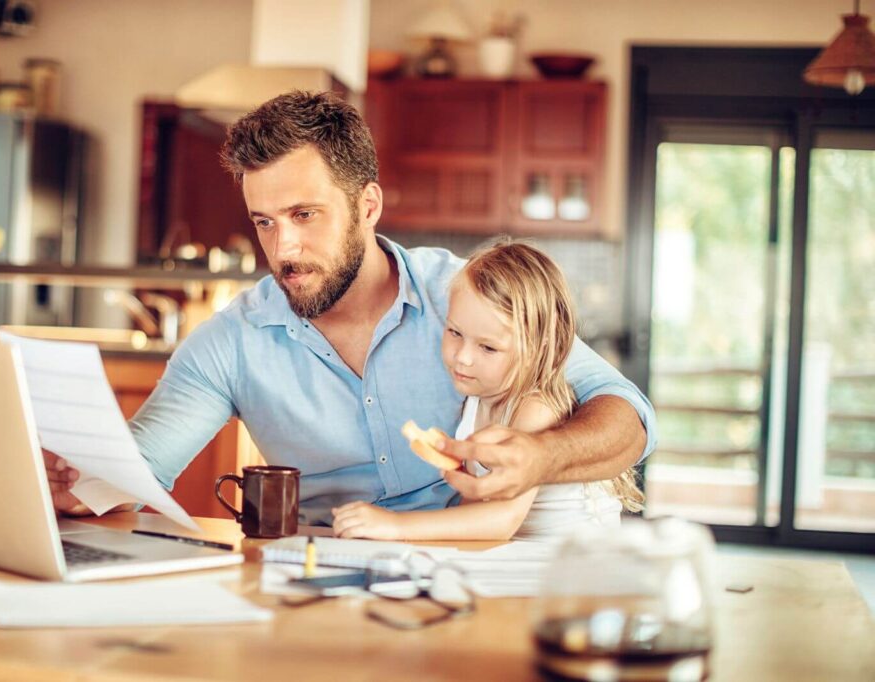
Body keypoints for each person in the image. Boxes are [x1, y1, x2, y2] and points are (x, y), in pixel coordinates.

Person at [43, 90, 656, 525]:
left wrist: (541, 457)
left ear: (367, 206)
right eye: (265, 222)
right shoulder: (230, 342)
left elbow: (630, 418)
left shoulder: (466, 294)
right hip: (318, 577)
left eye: (305, 216)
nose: (283, 248)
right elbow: (137, 469)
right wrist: (80, 483)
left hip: (472, 571)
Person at [331, 241, 644, 540]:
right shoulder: (476, 400)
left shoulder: (535, 408)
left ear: (538, 347)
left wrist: (396, 525)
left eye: (488, 347)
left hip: (575, 567)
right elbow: (474, 511)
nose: (463, 357)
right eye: (455, 332)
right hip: (520, 559)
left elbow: (500, 521)